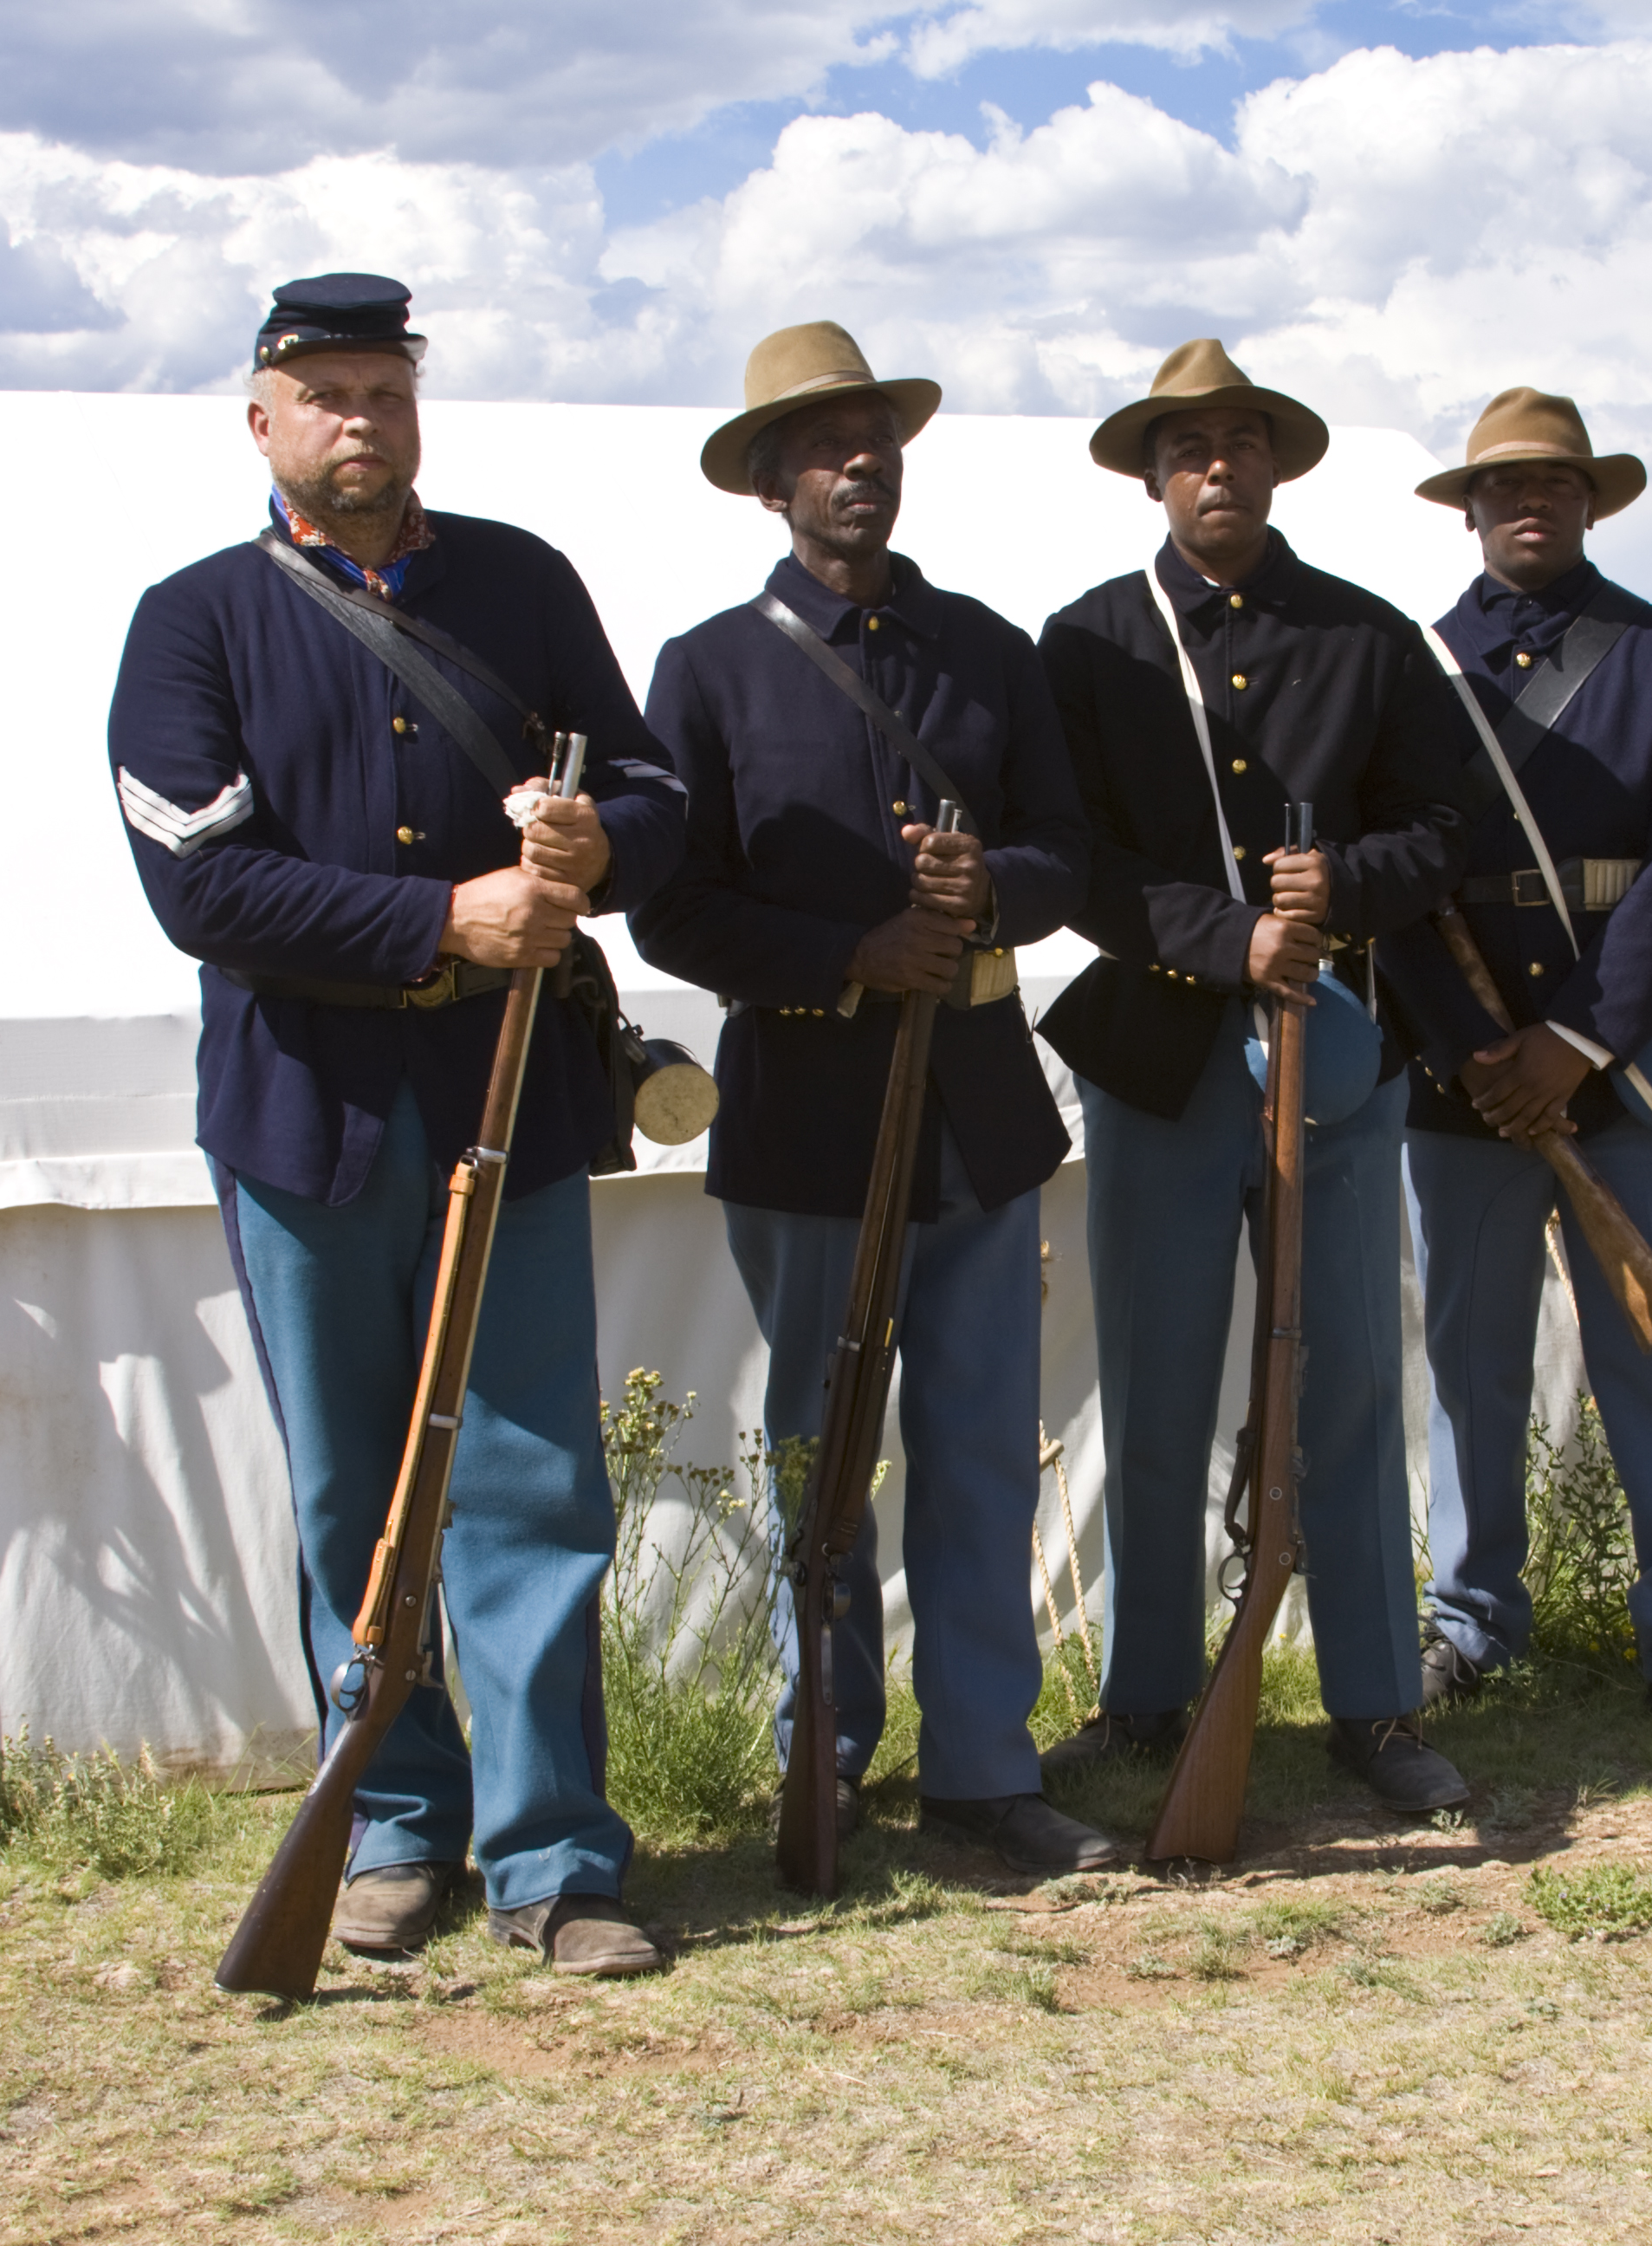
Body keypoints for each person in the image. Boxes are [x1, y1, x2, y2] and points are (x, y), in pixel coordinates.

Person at [108, 274, 692, 1974]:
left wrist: (593, 856)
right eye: (330, 393)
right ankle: (388, 1825)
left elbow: (652, 793)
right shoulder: (194, 622)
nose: (363, 419)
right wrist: (449, 922)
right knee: (353, 1490)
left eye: (387, 389)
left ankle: (555, 1857)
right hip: (308, 1113)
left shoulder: (522, 584)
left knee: (530, 1482)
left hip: (510, 1095)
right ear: (267, 421)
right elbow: (201, 880)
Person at [629, 324, 1110, 1876]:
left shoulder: (987, 651)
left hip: (977, 1104)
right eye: (825, 443)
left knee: (977, 1456)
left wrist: (985, 897)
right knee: (819, 1466)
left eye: (875, 436)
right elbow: (673, 913)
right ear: (769, 480)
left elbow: (1069, 852)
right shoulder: (703, 673)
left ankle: (983, 1768)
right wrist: (850, 952)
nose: (859, 462)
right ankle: (820, 1771)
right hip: (807, 1111)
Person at [1033, 340, 1477, 1813]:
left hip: (1335, 1056)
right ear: (1152, 475)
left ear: (1275, 465)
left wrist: (1338, 883)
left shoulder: (1364, 638)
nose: (1214, 468)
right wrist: (1225, 936)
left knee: (1345, 1381)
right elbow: (1073, 862)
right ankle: (1149, 1695)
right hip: (1161, 1047)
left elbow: (1442, 835)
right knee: (1153, 1390)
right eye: (1186, 448)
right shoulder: (1087, 641)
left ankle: (1373, 1701)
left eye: (1238, 443)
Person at [1377, 388, 1652, 1751]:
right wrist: (1476, 1051)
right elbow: (1398, 893)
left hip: (1623, 1063)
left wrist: (1575, 1041)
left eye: (1554, 483)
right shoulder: (1415, 671)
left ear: (1593, 498)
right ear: (1471, 507)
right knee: (1471, 1370)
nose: (1528, 504)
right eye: (1503, 488)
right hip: (1467, 1075)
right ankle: (1472, 1622)